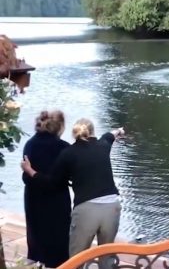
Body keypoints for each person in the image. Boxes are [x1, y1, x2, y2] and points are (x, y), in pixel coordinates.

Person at [21, 118, 124, 266]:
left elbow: (52, 183)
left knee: (77, 258)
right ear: (93, 132)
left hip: (87, 209)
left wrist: (30, 170)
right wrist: (120, 131)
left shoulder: (68, 153)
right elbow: (111, 134)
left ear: (74, 133)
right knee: (106, 256)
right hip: (112, 206)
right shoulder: (103, 144)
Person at [22, 110, 71, 268]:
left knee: (36, 235)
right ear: (60, 127)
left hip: (33, 197)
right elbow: (63, 179)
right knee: (57, 240)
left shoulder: (29, 144)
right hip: (56, 200)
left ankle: (36, 260)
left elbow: (25, 177)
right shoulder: (64, 148)